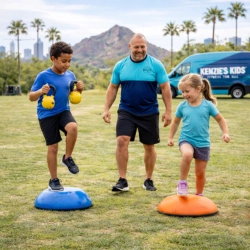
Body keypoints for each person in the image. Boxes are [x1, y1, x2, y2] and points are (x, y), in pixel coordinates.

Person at [102, 33, 172, 192]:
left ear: (146, 46)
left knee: (149, 146)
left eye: (142, 47)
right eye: (136, 47)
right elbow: (112, 88)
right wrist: (106, 108)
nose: (140, 50)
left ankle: (148, 179)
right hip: (127, 110)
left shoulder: (156, 65)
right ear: (129, 47)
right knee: (121, 140)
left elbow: (165, 88)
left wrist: (168, 111)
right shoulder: (120, 66)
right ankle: (122, 180)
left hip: (149, 111)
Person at [29, 41, 84, 191]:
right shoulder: (43, 76)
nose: (67, 64)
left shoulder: (70, 75)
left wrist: (79, 90)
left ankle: (67, 157)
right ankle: (54, 180)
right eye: (64, 61)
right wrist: (41, 91)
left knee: (73, 127)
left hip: (63, 111)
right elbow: (31, 97)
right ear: (53, 58)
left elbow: (74, 97)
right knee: (53, 147)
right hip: (46, 115)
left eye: (69, 61)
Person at [168, 73, 230, 196]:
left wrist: (225, 133)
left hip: (202, 143)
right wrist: (170, 137)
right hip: (186, 139)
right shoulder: (182, 106)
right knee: (187, 155)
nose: (184, 95)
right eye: (182, 92)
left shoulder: (208, 105)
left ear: (198, 89)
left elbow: (220, 119)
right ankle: (182, 183)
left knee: (200, 173)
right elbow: (175, 122)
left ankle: (199, 194)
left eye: (187, 91)